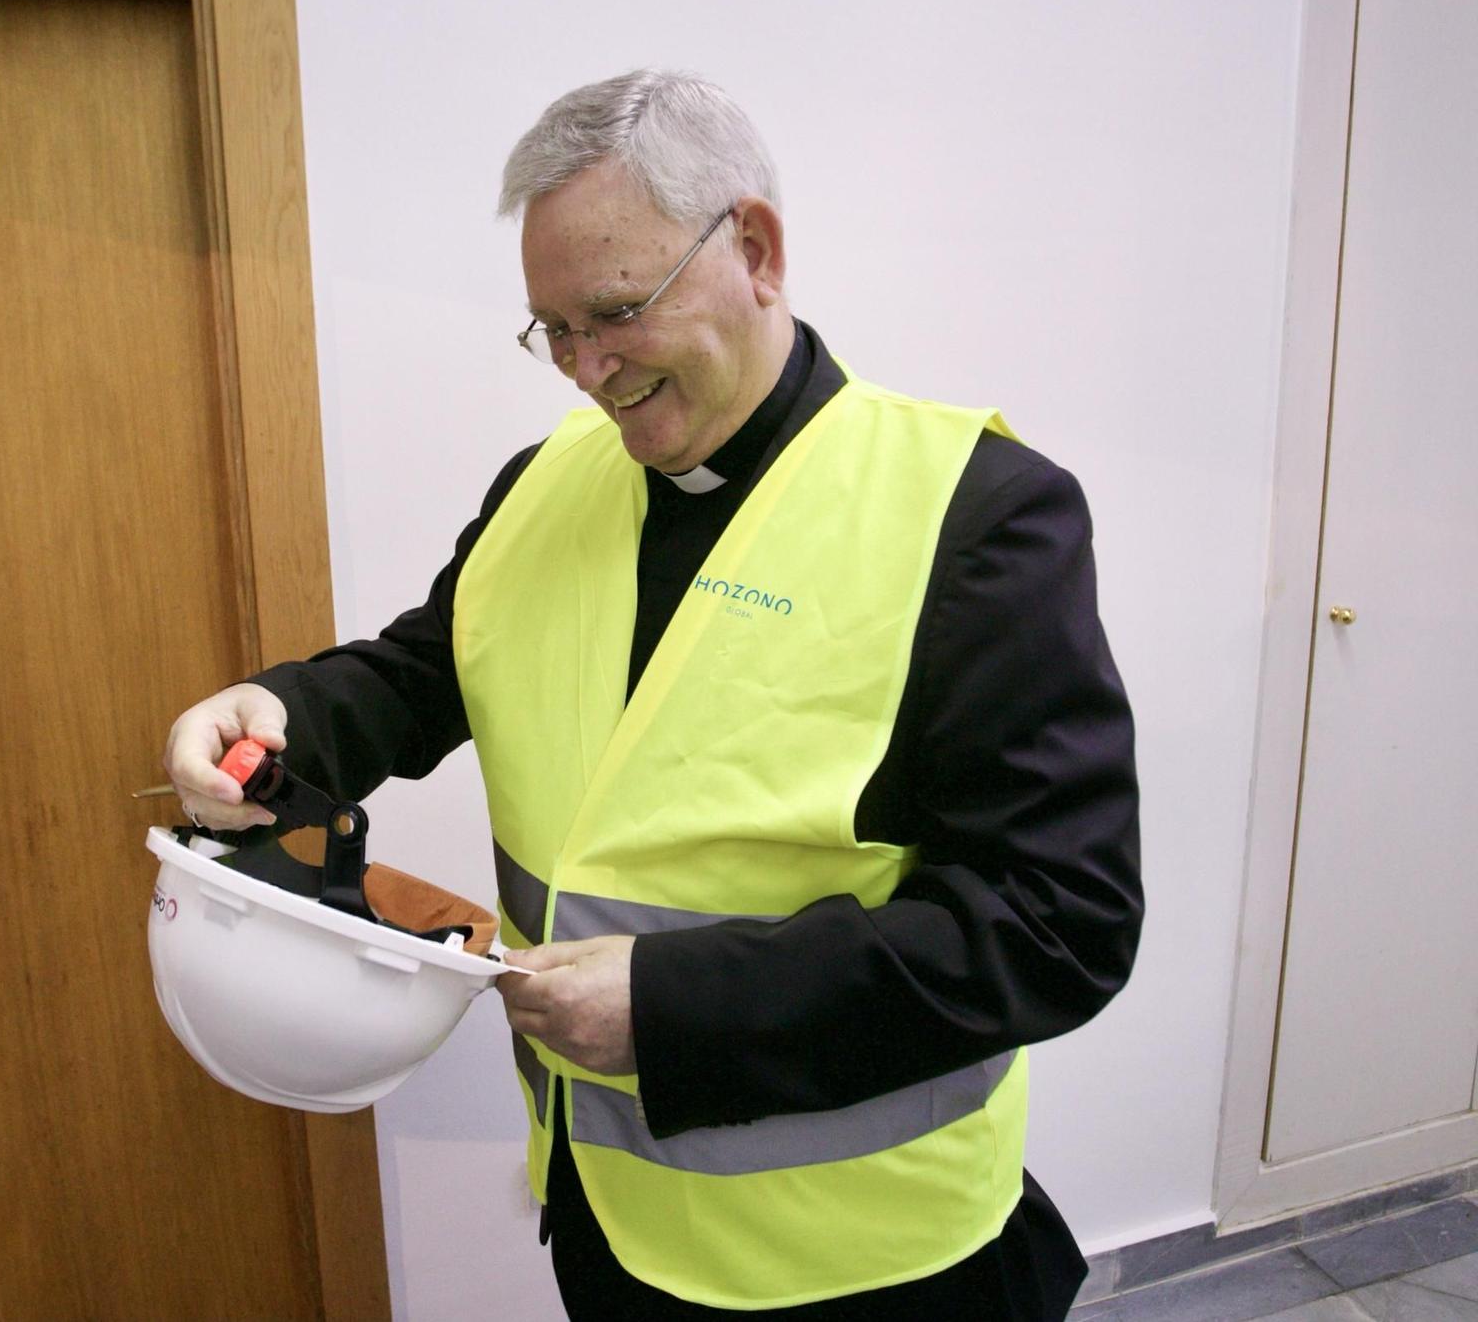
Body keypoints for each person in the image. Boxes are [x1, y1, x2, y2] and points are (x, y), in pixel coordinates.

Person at [164, 69, 1141, 1320]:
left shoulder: (976, 514)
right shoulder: (548, 479)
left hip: (866, 1265)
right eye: (552, 328)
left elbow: (1058, 922)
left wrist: (673, 1008)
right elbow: (427, 669)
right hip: (606, 1224)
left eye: (614, 310)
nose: (582, 368)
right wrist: (276, 714)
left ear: (756, 250)